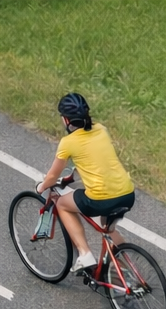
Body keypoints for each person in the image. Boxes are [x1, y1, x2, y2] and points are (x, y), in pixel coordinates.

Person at [36, 92, 136, 274]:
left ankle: (85, 254)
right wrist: (71, 177)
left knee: (62, 204)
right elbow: (94, 159)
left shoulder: (68, 142)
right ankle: (129, 272)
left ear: (66, 120)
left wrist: (41, 187)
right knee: (107, 228)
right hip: (127, 194)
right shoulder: (101, 129)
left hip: (101, 199)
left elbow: (52, 177)